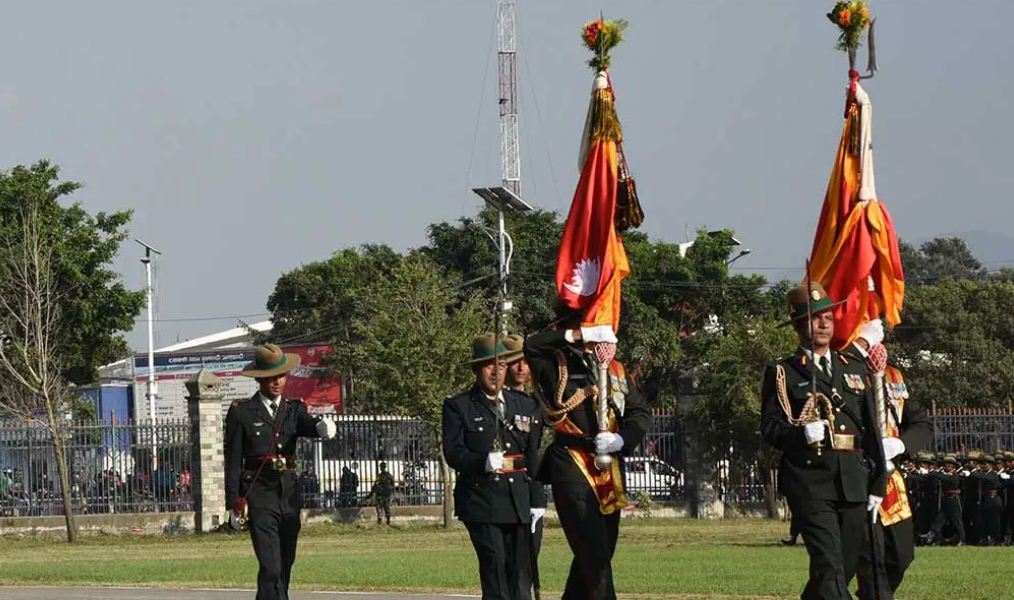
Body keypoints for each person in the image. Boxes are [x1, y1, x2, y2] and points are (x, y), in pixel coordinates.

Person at [760, 282, 887, 600]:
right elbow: (772, 428)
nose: (823, 323)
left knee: (837, 570)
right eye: (814, 318)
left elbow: (872, 431)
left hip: (854, 481)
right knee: (829, 569)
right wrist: (800, 434)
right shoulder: (783, 372)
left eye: (827, 316)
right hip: (811, 482)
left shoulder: (853, 369)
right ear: (798, 325)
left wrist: (878, 483)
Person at [524, 308, 652, 600]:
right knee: (595, 559)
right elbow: (531, 345)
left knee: (599, 554)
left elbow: (640, 412)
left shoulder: (614, 367)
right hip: (571, 462)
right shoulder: (554, 362)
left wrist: (622, 438)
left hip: (609, 466)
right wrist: (578, 334)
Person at [225, 343, 337, 600]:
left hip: (288, 495)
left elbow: (307, 425)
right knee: (271, 566)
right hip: (259, 496)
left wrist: (322, 426)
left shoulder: (294, 409)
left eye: (281, 376)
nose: (277, 382)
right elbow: (233, 462)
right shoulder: (241, 413)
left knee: (285, 563)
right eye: (270, 377)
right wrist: (233, 502)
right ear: (260, 379)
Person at [443, 333, 547, 600]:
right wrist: (482, 463)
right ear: (478, 369)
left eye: (501, 366)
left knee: (521, 577)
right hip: (482, 501)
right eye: (490, 366)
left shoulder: (525, 404)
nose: (496, 372)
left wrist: (537, 500)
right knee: (497, 576)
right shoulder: (459, 406)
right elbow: (453, 453)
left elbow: (532, 456)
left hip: (519, 501)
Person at [849, 325, 934, 599]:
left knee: (901, 556)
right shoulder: (841, 374)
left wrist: (900, 444)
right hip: (858, 478)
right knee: (871, 562)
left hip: (891, 483)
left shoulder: (894, 375)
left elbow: (920, 424)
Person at [928, 454, 964, 545]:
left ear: (954, 466)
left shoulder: (954, 476)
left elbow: (942, 477)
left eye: (950, 464)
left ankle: (962, 540)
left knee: (957, 521)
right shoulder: (945, 474)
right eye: (946, 464)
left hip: (953, 500)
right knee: (938, 521)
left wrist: (936, 472)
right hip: (945, 501)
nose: (948, 466)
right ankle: (938, 539)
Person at [371, 461, 395, 525]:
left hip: (383, 494)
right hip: (384, 494)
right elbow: (392, 484)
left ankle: (384, 520)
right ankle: (385, 520)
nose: (381, 468)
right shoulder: (388, 475)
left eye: (381, 467)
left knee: (382, 507)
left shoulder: (383, 476)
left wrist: (372, 492)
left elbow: (376, 484)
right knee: (384, 507)